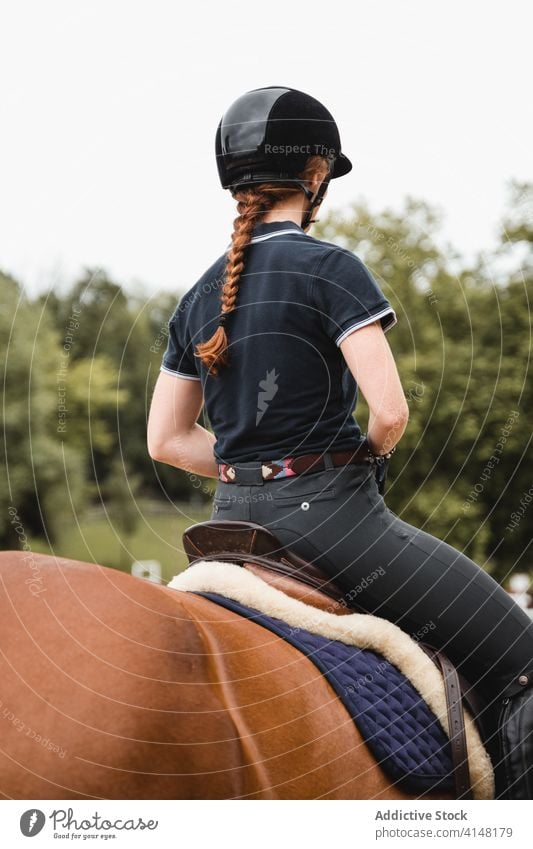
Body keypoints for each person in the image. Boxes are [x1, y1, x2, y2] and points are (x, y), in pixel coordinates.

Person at [147, 86, 533, 799]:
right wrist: (361, 462)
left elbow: (166, 441)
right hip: (336, 525)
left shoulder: (197, 297)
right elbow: (388, 412)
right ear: (315, 173)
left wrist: (247, 467)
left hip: (227, 526)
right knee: (521, 657)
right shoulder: (332, 271)